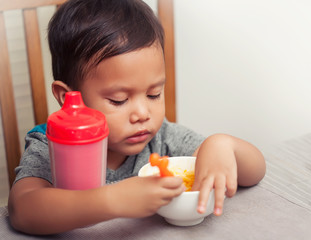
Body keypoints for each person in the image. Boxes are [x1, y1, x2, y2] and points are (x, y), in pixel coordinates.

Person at [8, 0, 266, 235]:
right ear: (69, 99)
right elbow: (22, 211)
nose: (143, 114)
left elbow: (255, 172)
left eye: (154, 94)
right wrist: (112, 200)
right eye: (119, 100)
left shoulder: (162, 138)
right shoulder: (50, 145)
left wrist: (222, 145)